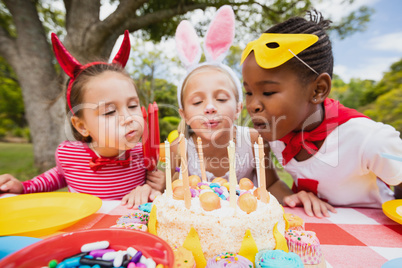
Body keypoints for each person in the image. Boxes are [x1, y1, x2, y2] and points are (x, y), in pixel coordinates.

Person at [241, 11, 402, 217]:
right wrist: (292, 197)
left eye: (269, 92)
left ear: (318, 90)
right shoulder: (276, 133)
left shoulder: (368, 140)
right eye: (248, 92)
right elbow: (272, 183)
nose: (253, 105)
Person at [0, 31, 164, 208]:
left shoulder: (143, 155)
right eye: (109, 112)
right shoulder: (69, 154)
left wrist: (159, 186)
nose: (128, 118)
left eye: (132, 106)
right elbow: (58, 177)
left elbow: (158, 196)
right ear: (81, 126)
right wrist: (23, 187)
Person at [170, 6, 292, 200]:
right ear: (184, 114)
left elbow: (272, 184)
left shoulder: (254, 142)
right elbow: (171, 191)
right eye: (198, 101)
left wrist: (292, 198)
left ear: (237, 108)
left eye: (221, 99)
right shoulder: (179, 148)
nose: (210, 108)